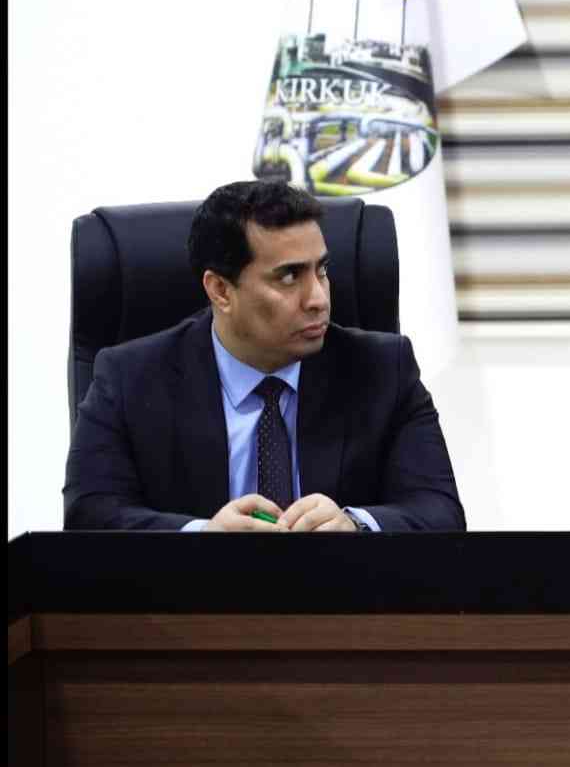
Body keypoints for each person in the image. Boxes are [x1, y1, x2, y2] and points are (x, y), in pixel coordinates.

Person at [63, 180, 465, 532]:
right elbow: (89, 515)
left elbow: (440, 512)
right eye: (289, 276)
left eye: (322, 271)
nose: (319, 299)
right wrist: (201, 537)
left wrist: (355, 524)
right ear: (221, 290)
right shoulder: (129, 378)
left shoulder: (383, 369)